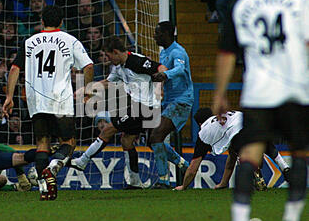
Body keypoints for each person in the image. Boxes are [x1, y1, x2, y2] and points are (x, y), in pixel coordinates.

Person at [212, 0, 308, 221]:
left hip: (258, 91)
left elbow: (227, 52)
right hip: (295, 89)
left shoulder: (241, 4)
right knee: (300, 153)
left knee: (250, 155)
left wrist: (219, 93)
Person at [3, 5, 94, 200]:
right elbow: (88, 66)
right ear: (61, 22)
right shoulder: (70, 40)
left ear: (42, 21)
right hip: (60, 99)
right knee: (68, 142)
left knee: (42, 142)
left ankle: (45, 189)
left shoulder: (29, 41)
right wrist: (87, 89)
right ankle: (52, 168)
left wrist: (9, 97)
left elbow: (14, 69)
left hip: (36, 101)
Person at [72, 36, 167, 185]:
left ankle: (82, 161)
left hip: (146, 108)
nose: (108, 59)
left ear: (115, 52)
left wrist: (160, 88)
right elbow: (107, 83)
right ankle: (135, 182)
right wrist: (86, 90)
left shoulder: (136, 61)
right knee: (126, 140)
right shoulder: (118, 67)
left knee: (109, 129)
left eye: (109, 56)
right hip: (137, 108)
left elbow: (161, 68)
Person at [174, 108, 291, 191]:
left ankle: (255, 172)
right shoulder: (224, 116)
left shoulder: (204, 132)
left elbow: (193, 167)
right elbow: (231, 159)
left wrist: (184, 186)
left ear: (199, 123)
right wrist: (223, 183)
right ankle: (284, 167)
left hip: (237, 131)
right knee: (265, 144)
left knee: (241, 151)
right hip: (247, 118)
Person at [149, 21, 194, 189]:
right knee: (152, 139)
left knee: (156, 136)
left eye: (157, 33)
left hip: (182, 100)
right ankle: (185, 166)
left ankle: (164, 180)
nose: (154, 36)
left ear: (167, 34)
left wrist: (165, 75)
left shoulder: (178, 51)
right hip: (169, 100)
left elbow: (180, 69)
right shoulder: (164, 53)